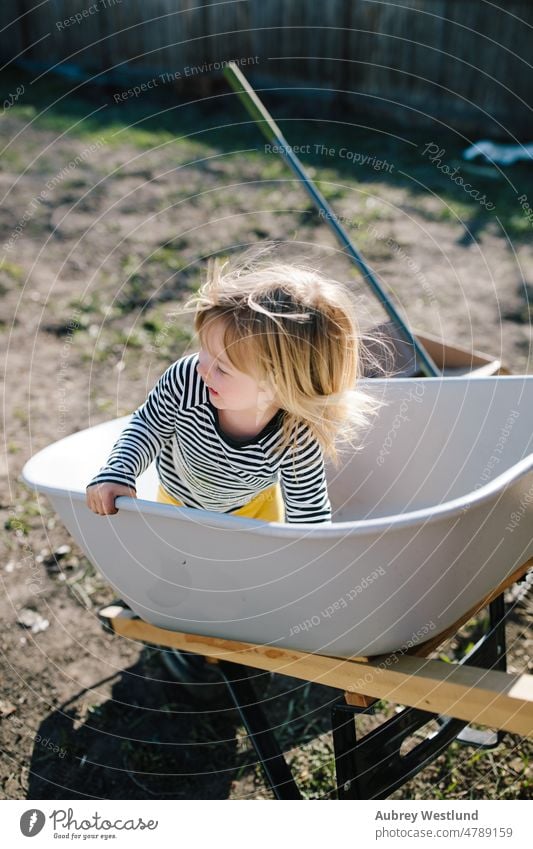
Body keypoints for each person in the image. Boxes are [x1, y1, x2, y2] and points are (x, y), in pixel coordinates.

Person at [86, 245, 381, 523]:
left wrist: (310, 556)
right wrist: (118, 471)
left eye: (222, 369)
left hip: (255, 512)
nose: (203, 368)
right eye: (205, 350)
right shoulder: (186, 380)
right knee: (180, 570)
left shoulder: (295, 432)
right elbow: (147, 427)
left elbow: (308, 509)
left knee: (252, 574)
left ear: (279, 385)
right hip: (177, 502)